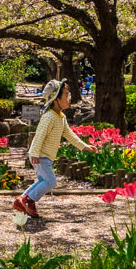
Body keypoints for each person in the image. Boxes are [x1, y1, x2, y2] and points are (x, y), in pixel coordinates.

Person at [15, 78, 94, 221]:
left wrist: (84, 146)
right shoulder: (49, 117)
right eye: (65, 95)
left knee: (42, 181)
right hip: (40, 155)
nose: (68, 98)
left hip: (44, 155)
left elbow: (68, 134)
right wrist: (35, 153)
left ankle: (21, 200)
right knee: (51, 181)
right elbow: (39, 135)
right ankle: (28, 200)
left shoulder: (60, 117)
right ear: (55, 99)